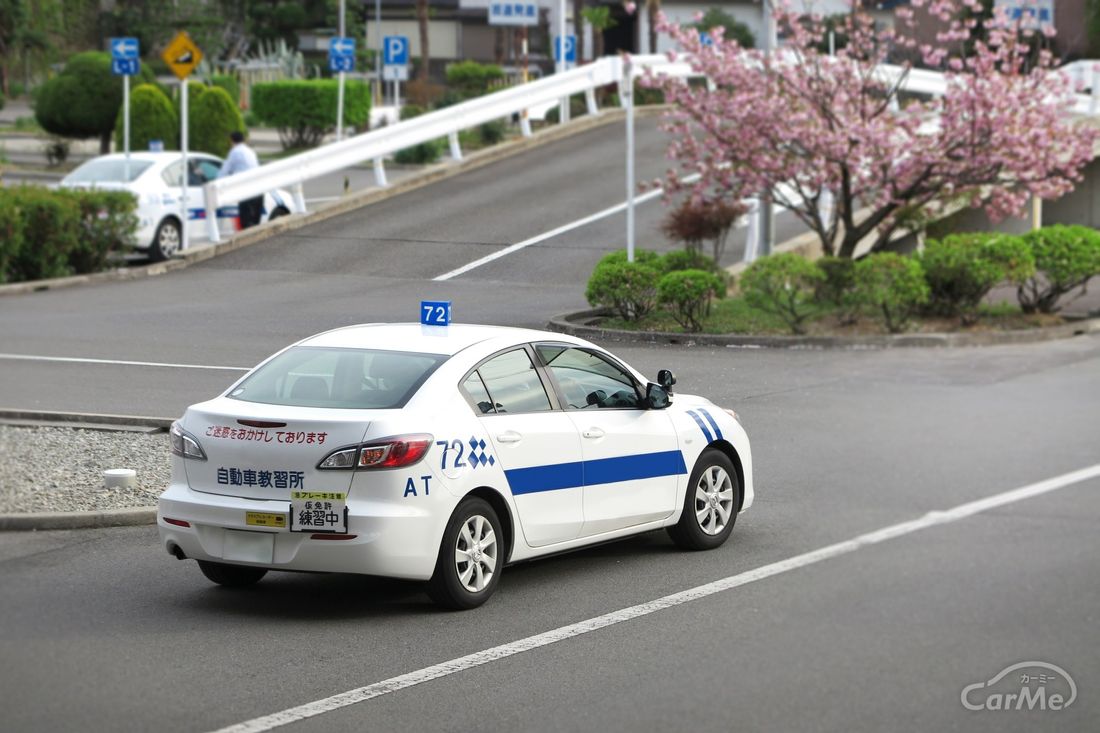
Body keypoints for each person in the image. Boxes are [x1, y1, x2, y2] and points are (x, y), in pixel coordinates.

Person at [218, 131, 263, 229]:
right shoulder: (250, 151)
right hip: (258, 188)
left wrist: (215, 183)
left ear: (231, 141)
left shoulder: (235, 152)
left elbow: (224, 171)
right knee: (255, 224)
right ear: (244, 140)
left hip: (246, 189)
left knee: (246, 224)